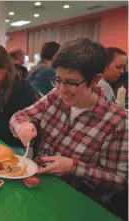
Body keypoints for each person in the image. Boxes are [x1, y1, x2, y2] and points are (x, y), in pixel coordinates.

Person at [10, 38, 128, 209]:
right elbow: (19, 116)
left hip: (76, 203)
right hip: (37, 186)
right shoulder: (55, 96)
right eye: (58, 80)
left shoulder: (117, 121)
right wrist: (22, 126)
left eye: (71, 83)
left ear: (95, 80)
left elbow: (119, 180)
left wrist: (73, 167)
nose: (61, 90)